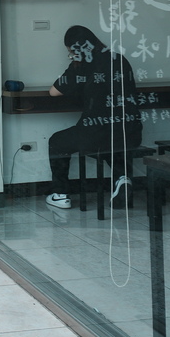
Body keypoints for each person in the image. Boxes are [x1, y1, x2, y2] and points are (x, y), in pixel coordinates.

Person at [46, 25, 143, 210]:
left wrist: (74, 63)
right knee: (112, 141)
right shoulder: (119, 58)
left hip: (97, 133)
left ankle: (60, 194)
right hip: (131, 131)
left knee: (57, 141)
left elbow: (53, 92)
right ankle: (122, 179)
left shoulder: (83, 64)